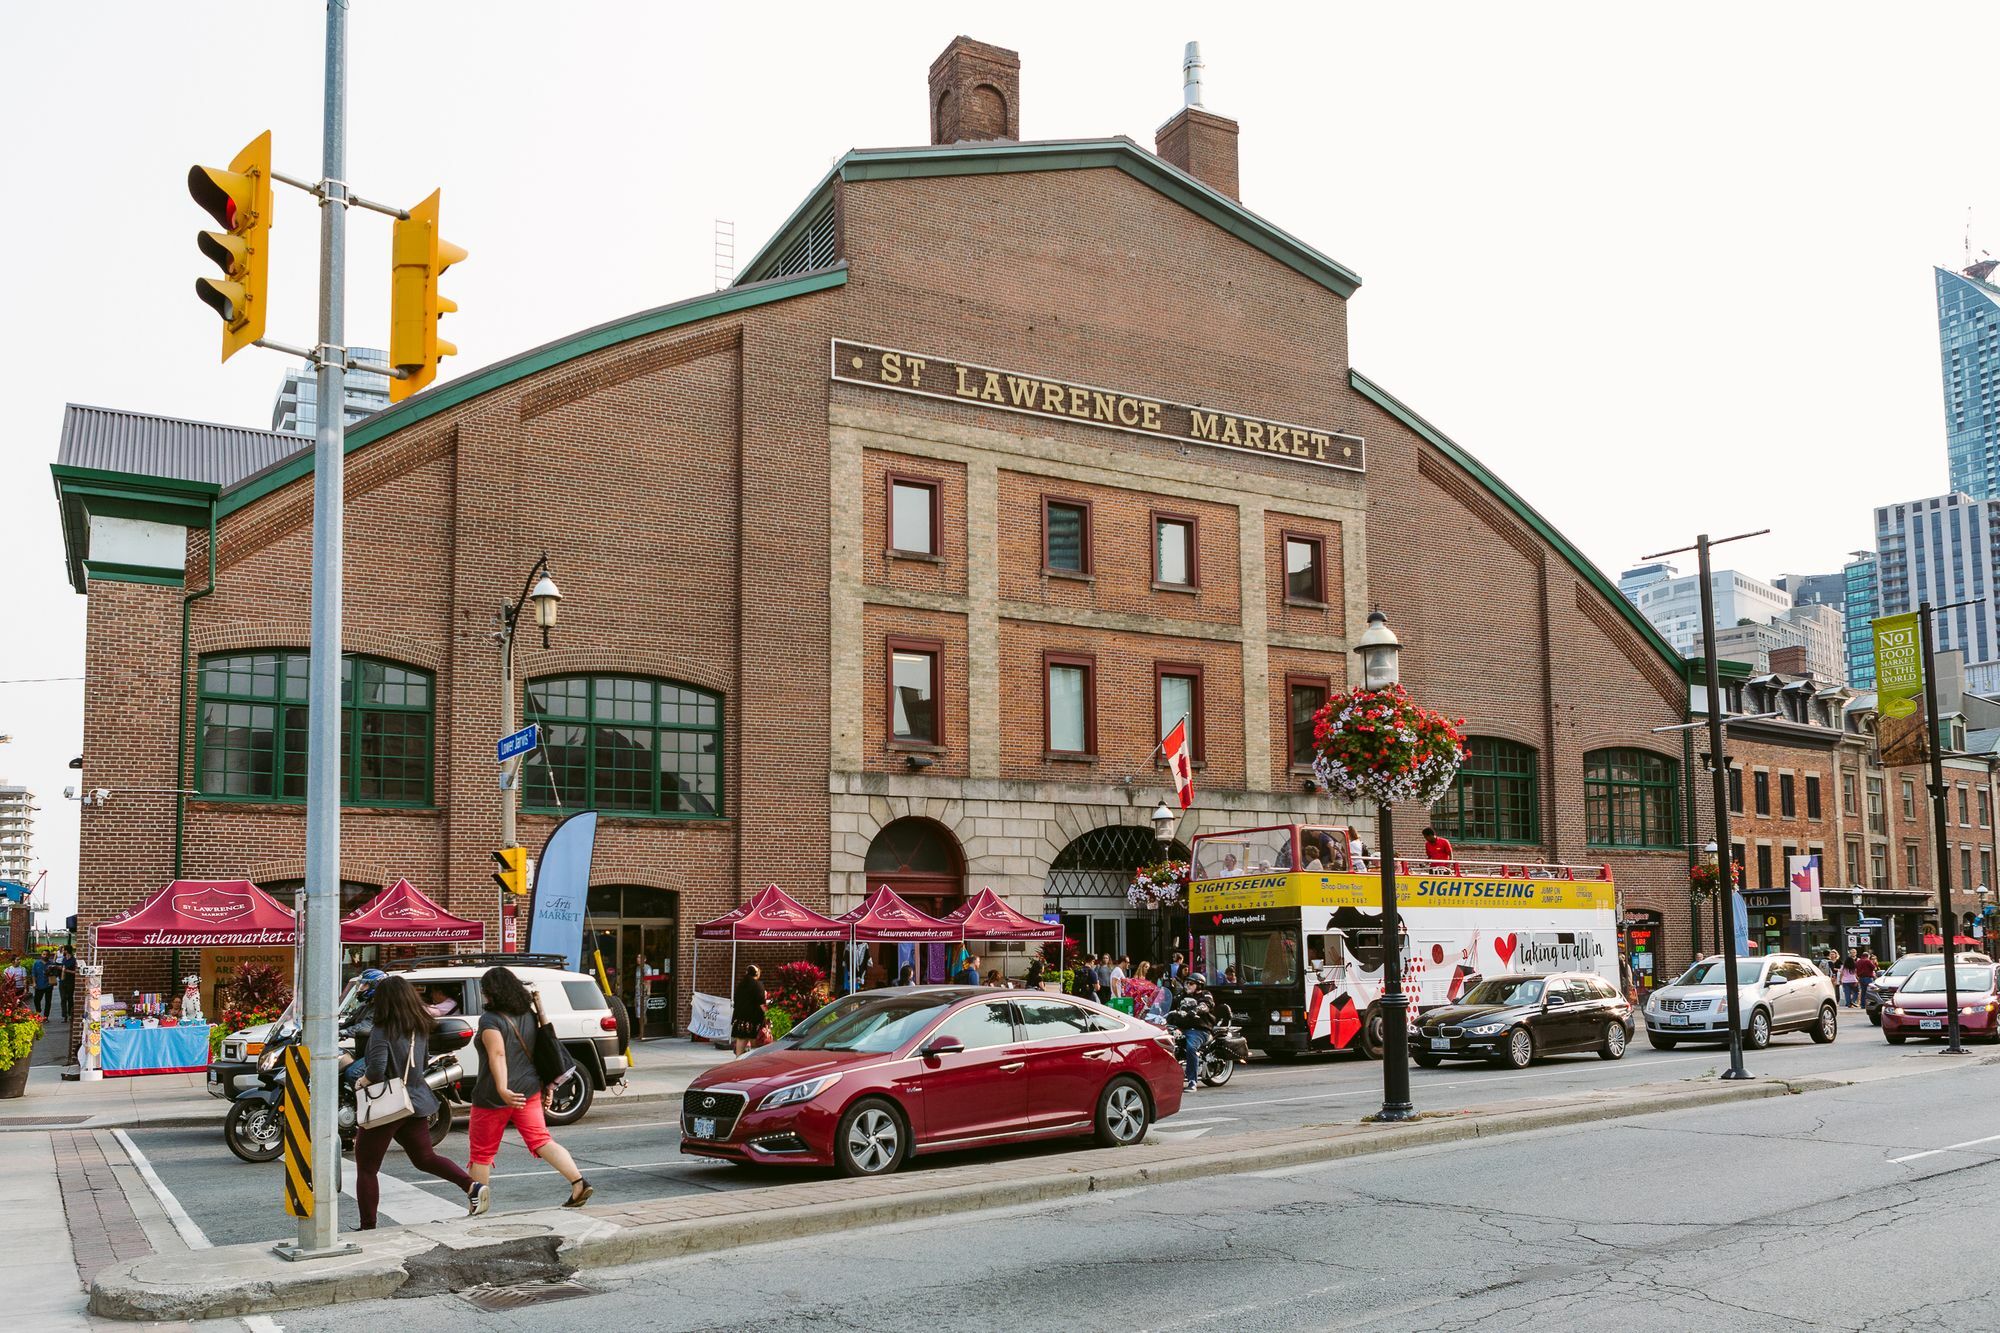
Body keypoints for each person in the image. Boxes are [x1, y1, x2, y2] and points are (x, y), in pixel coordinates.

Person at [351, 975, 475, 1230]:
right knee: (426, 1158)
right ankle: (472, 1185)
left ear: (383, 1001)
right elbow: (423, 1060)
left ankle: (368, 1226)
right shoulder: (419, 1027)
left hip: (389, 1104)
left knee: (366, 1168)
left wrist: (362, 1081)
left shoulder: (382, 1030)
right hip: (416, 1102)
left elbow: (376, 1070)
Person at [467, 966, 591, 1213]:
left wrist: (502, 1088)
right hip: (529, 1090)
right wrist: (547, 1086)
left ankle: (478, 1208)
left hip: (493, 1096)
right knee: (541, 1140)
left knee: (481, 1153)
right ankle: (579, 1182)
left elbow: (498, 1054)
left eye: (483, 990)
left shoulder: (490, 1020)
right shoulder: (529, 1014)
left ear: (491, 991)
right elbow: (540, 1053)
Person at [1172, 976, 1217, 1091]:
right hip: (1181, 1027)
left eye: (1191, 983)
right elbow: (1171, 1003)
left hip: (1199, 1029)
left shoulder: (1205, 994)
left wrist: (1196, 1010)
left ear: (1199, 985)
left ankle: (1192, 1081)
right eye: (1186, 983)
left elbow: (1206, 1005)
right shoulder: (1182, 995)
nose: (1187, 986)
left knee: (1191, 1047)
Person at [731, 965, 766, 1056]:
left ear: (747, 973)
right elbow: (761, 1003)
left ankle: (738, 1061)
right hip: (754, 1018)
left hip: (740, 1017)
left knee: (741, 1039)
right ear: (757, 973)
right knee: (756, 1042)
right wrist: (769, 1014)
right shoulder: (758, 985)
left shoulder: (741, 985)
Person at [30, 953, 52, 1018]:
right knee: (36, 1000)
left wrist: (50, 971)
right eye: (43, 954)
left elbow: (55, 974)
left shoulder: (51, 964)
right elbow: (33, 974)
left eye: (46, 955)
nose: (45, 956)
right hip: (39, 985)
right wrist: (34, 983)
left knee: (48, 1002)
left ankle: (46, 1016)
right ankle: (38, 1011)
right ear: (41, 955)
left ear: (49, 956)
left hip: (49, 985)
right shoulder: (36, 963)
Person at [58, 948, 76, 1020]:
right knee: (63, 998)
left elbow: (75, 972)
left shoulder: (74, 960)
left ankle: (70, 1014)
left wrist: (66, 970)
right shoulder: (64, 959)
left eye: (64, 950)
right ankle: (64, 1015)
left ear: (67, 951)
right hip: (62, 981)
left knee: (70, 998)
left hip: (70, 981)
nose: (62, 951)